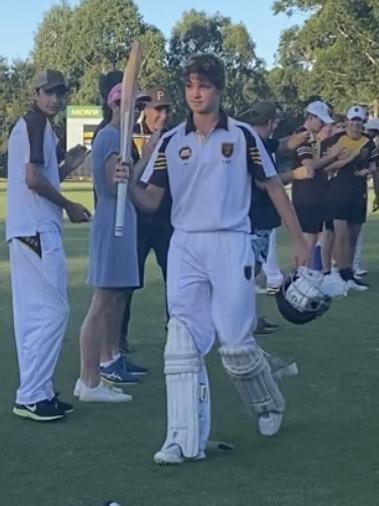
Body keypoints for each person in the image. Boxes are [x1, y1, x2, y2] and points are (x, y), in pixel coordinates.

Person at [128, 53, 309, 465]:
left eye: (204, 85)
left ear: (219, 89)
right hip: (185, 244)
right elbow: (150, 200)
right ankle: (181, 438)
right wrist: (122, 182)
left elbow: (274, 188)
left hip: (231, 241)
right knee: (181, 344)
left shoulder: (244, 136)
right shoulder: (172, 141)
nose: (196, 93)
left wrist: (299, 241)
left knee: (236, 347)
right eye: (190, 85)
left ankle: (267, 403)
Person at [6, 69, 91, 421]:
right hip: (38, 231)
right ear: (36, 93)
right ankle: (32, 394)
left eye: (60, 93)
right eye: (49, 93)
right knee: (54, 313)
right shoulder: (36, 124)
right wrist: (69, 205)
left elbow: (40, 174)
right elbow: (32, 179)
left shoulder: (31, 125)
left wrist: (66, 166)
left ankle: (34, 391)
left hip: (25, 230)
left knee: (31, 319)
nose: (55, 99)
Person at [75, 72, 157, 402]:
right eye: (131, 103)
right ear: (115, 103)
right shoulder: (110, 136)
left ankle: (101, 370)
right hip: (112, 224)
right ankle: (89, 380)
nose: (137, 110)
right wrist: (121, 174)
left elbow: (127, 182)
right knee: (101, 304)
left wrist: (145, 157)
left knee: (113, 301)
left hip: (122, 222)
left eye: (138, 104)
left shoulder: (120, 137)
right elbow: (112, 185)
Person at [119, 87, 173, 355]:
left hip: (167, 220)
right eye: (157, 109)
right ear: (145, 111)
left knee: (175, 280)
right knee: (128, 282)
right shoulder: (128, 138)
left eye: (166, 109)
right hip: (137, 222)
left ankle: (177, 332)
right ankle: (118, 338)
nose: (162, 115)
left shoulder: (175, 139)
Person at [321, 105, 379, 292]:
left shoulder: (369, 142)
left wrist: (367, 170)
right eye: (352, 120)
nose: (355, 124)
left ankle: (349, 274)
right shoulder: (336, 140)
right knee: (341, 234)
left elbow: (373, 165)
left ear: (362, 122)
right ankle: (340, 274)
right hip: (338, 191)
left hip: (358, 191)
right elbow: (325, 166)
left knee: (353, 235)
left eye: (358, 121)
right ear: (347, 121)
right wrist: (344, 160)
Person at [290, 101, 342, 266]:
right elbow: (309, 165)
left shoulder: (313, 137)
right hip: (306, 195)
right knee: (308, 238)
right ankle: (299, 277)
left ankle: (308, 274)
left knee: (315, 235)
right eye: (320, 120)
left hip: (316, 193)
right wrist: (332, 157)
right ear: (310, 117)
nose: (323, 124)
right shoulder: (302, 136)